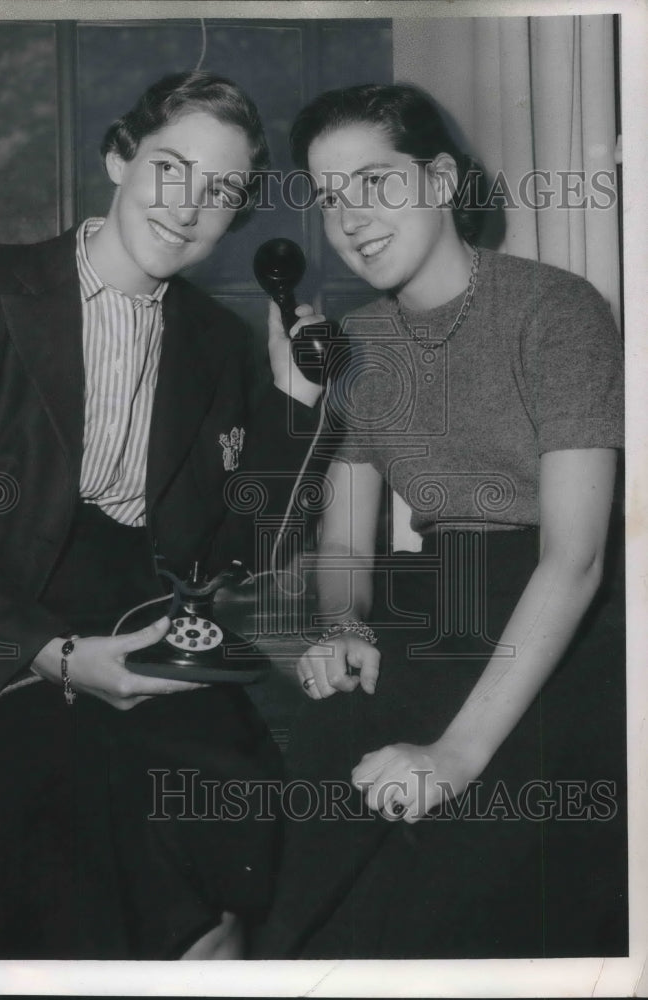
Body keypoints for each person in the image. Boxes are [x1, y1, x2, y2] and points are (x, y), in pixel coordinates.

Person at [0, 71, 324, 960]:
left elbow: (240, 554)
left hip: (147, 628)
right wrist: (52, 654)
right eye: (171, 168)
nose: (189, 207)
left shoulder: (220, 342)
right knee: (71, 819)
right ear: (117, 158)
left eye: (222, 191)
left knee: (219, 829)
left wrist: (292, 406)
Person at [255, 83, 626, 958]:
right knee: (309, 783)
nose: (350, 217)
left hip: (571, 617)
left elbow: (576, 560)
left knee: (457, 862)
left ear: (443, 178)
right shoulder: (357, 345)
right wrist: (344, 623)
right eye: (330, 196)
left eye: (375, 182)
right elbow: (345, 537)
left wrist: (454, 756)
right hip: (441, 602)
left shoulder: (556, 309)